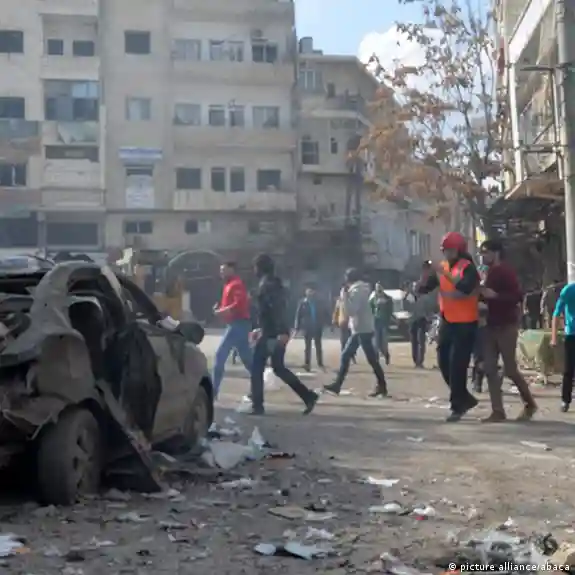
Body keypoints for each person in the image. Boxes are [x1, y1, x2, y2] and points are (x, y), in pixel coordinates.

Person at [418, 232, 480, 422]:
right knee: (443, 362)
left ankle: (457, 406)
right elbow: (423, 289)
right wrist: (424, 277)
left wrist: (444, 273)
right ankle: (465, 398)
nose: (447, 254)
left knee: (457, 365)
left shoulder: (468, 268)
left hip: (466, 323)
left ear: (459, 250)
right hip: (448, 321)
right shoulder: (443, 267)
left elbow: (465, 288)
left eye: (451, 250)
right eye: (444, 250)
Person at [249, 253, 319, 415]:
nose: (253, 270)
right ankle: (308, 396)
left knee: (257, 368)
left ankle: (257, 405)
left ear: (260, 268)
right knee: (278, 368)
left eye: (255, 267)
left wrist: (280, 331)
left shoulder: (267, 285)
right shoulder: (275, 284)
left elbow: (275, 310)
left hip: (271, 334)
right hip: (274, 332)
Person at [478, 240, 537, 421]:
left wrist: (495, 296)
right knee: (490, 368)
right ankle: (498, 411)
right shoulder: (487, 272)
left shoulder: (505, 271)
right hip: (490, 325)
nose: (483, 256)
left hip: (506, 325)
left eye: (486, 252)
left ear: (496, 253)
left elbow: (517, 296)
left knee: (510, 369)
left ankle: (530, 404)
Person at [324, 268, 388, 397]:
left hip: (361, 329)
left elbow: (351, 311)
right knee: (370, 359)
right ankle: (381, 385)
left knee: (347, 356)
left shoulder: (357, 291)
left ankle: (338, 385)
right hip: (362, 328)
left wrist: (344, 296)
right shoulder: (362, 289)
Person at [211, 262, 253, 399]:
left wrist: (220, 311)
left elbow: (238, 305)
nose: (221, 272)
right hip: (237, 324)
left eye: (224, 270)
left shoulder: (236, 284)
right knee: (247, 358)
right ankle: (257, 384)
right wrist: (221, 309)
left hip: (238, 324)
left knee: (220, 355)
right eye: (220, 270)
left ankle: (213, 391)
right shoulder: (229, 285)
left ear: (232, 270)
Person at [551, 282, 575, 411]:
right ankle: (565, 400)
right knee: (568, 369)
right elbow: (556, 313)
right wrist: (554, 337)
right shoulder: (568, 290)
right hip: (571, 334)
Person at [295, 286, 328, 371]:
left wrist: (328, 323)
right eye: (308, 292)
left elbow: (325, 312)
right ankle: (307, 363)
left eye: (311, 291)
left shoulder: (319, 302)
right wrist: (297, 327)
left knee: (318, 345)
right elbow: (298, 315)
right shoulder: (303, 303)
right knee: (307, 346)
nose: (310, 293)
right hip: (307, 327)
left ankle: (320, 362)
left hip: (317, 326)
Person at [369, 282, 392, 364]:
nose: (378, 289)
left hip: (384, 322)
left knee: (384, 342)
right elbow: (370, 310)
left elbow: (390, 311)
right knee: (376, 342)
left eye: (380, 287)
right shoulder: (373, 298)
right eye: (377, 287)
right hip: (376, 322)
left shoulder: (388, 299)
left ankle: (386, 355)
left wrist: (388, 320)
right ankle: (376, 359)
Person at [332, 291, 356, 364]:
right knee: (343, 341)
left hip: (350, 323)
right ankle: (344, 357)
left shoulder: (350, 301)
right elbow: (336, 311)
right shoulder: (339, 302)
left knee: (350, 341)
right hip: (342, 323)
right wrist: (334, 321)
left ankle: (352, 355)